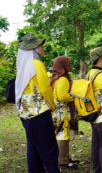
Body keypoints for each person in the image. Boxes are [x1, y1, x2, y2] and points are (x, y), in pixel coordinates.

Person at [15, 33, 59, 173]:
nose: (42, 48)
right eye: (40, 45)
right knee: (49, 151)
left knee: (33, 150)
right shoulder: (37, 64)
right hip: (40, 113)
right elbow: (45, 89)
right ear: (33, 49)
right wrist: (52, 106)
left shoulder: (23, 66)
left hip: (26, 114)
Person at [50, 56, 78, 170]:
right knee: (63, 136)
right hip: (62, 111)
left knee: (61, 136)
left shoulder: (56, 77)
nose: (70, 65)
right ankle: (63, 162)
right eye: (68, 63)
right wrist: (74, 96)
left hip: (56, 111)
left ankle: (66, 158)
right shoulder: (62, 79)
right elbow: (63, 96)